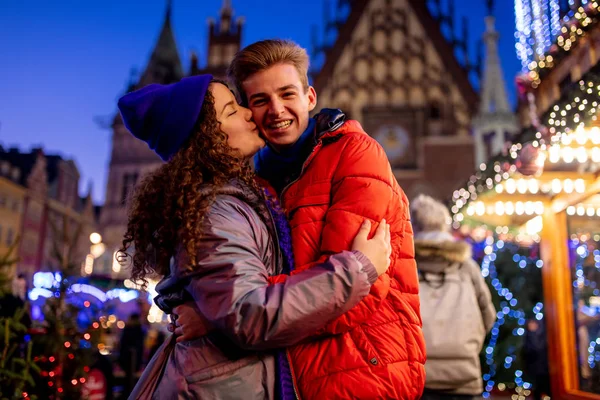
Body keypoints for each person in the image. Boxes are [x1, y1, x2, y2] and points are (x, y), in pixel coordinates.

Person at [174, 39, 426, 399]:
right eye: (260, 100)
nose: (276, 110)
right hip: (294, 374)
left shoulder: (356, 155)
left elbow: (358, 292)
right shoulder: (253, 181)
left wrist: (221, 314)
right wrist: (227, 307)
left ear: (309, 97)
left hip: (362, 372)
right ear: (248, 111)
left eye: (287, 94)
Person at [116, 74, 392, 399]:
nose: (249, 113)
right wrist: (357, 270)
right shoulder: (215, 210)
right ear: (207, 139)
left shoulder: (236, 196)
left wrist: (210, 314)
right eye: (232, 111)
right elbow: (249, 315)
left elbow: (237, 299)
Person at [410, 194, 496, 400]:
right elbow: (489, 315)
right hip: (465, 376)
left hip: (418, 375)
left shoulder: (406, 266)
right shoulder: (467, 267)